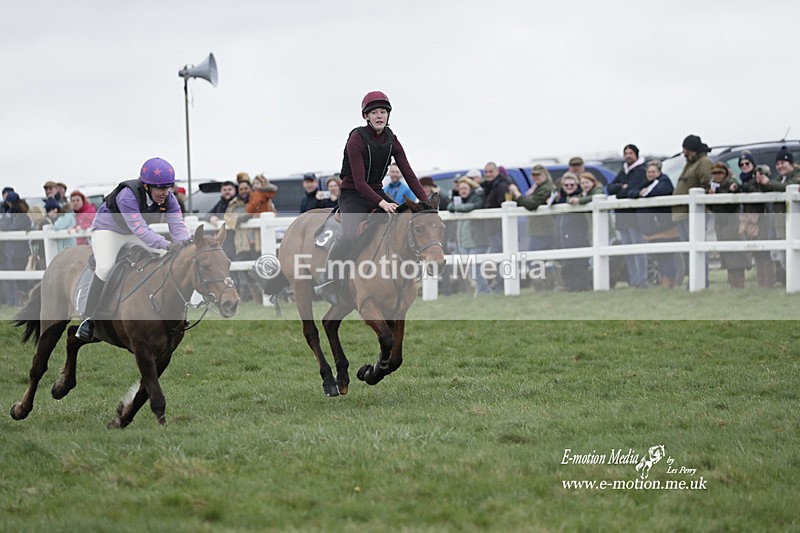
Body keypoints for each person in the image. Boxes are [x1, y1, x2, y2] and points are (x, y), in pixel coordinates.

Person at [315, 90, 429, 300]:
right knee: (349, 234)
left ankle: (403, 274)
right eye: (374, 112)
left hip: (376, 191)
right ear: (366, 116)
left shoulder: (392, 139)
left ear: (388, 115)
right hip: (353, 194)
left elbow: (409, 174)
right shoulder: (356, 139)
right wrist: (382, 203)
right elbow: (359, 183)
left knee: (403, 224)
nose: (379, 116)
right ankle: (330, 278)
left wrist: (426, 202)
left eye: (383, 112)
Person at [75, 157, 190, 341]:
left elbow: (178, 228)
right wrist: (168, 245)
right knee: (105, 267)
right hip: (109, 230)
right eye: (160, 188)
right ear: (146, 186)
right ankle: (89, 319)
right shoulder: (127, 195)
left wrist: (186, 247)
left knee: (165, 258)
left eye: (168, 187)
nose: (165, 193)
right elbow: (141, 230)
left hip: (134, 232)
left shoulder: (169, 198)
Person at [629, 160, 679, 288]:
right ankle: (664, 283)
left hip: (666, 226)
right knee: (660, 257)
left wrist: (645, 193)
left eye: (653, 172)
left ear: (659, 172)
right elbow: (631, 192)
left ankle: (669, 283)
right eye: (649, 172)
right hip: (653, 227)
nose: (650, 174)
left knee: (667, 257)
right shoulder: (647, 183)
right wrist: (640, 193)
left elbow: (658, 192)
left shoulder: (664, 181)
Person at [755, 146, 800, 284]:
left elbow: (788, 188)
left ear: (790, 163)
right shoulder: (780, 178)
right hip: (780, 222)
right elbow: (771, 188)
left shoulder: (797, 176)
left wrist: (769, 183)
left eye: (783, 163)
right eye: (778, 164)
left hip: (795, 222)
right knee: (782, 255)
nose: (780, 166)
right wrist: (762, 183)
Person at [607, 144, 649, 288]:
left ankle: (642, 280)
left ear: (636, 155)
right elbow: (610, 188)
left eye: (630, 153)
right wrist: (621, 187)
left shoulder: (640, 170)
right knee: (627, 250)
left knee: (638, 249)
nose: (628, 155)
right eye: (626, 153)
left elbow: (631, 190)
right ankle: (634, 280)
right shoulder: (623, 171)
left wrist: (622, 189)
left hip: (635, 216)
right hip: (622, 216)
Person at [706, 162, 748, 288]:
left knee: (735, 253)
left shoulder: (731, 184)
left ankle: (739, 284)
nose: (717, 175)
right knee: (725, 254)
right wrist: (710, 197)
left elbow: (731, 202)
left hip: (732, 221)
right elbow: (712, 207)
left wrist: (717, 193)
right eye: (714, 173)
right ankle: (733, 284)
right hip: (720, 223)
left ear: (725, 173)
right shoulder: (711, 186)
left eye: (720, 173)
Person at [448, 175, 491, 295]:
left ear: (471, 188)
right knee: (470, 270)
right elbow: (450, 207)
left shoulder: (477, 198)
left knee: (475, 269)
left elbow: (472, 207)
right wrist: (455, 204)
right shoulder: (459, 200)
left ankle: (485, 292)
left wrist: (458, 207)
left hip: (477, 242)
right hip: (463, 242)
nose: (463, 190)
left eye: (465, 188)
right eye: (461, 188)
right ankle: (482, 291)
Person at [737, 152, 775, 287]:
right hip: (749, 218)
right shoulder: (744, 180)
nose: (744, 166)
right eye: (741, 164)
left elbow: (755, 189)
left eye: (747, 163)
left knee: (764, 251)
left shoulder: (757, 177)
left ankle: (768, 282)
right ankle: (761, 281)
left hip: (761, 217)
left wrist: (742, 188)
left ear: (752, 164)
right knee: (757, 252)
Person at [553, 172, 590, 291]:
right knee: (566, 266)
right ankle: (570, 288)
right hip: (563, 238)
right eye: (566, 185)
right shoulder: (560, 199)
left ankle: (581, 288)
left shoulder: (581, 196)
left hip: (579, 236)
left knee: (579, 265)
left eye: (572, 185)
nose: (569, 187)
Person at [509, 164, 557, 251]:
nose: (535, 177)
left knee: (535, 260)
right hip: (537, 230)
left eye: (538, 175)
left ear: (545, 175)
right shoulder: (538, 188)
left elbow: (532, 205)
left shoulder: (546, 188)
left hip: (543, 231)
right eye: (533, 175)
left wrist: (517, 193)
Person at [0, 192, 32, 306]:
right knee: (10, 279)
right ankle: (12, 302)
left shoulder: (23, 217)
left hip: (20, 253)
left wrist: (4, 227)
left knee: (21, 280)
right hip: (9, 252)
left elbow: (12, 227)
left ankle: (23, 302)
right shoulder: (9, 215)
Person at [481, 161, 514, 254]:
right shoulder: (486, 187)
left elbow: (504, 206)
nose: (488, 174)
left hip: (499, 229)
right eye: (486, 172)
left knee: (500, 254)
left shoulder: (502, 186)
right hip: (491, 229)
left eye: (491, 172)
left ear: (497, 172)